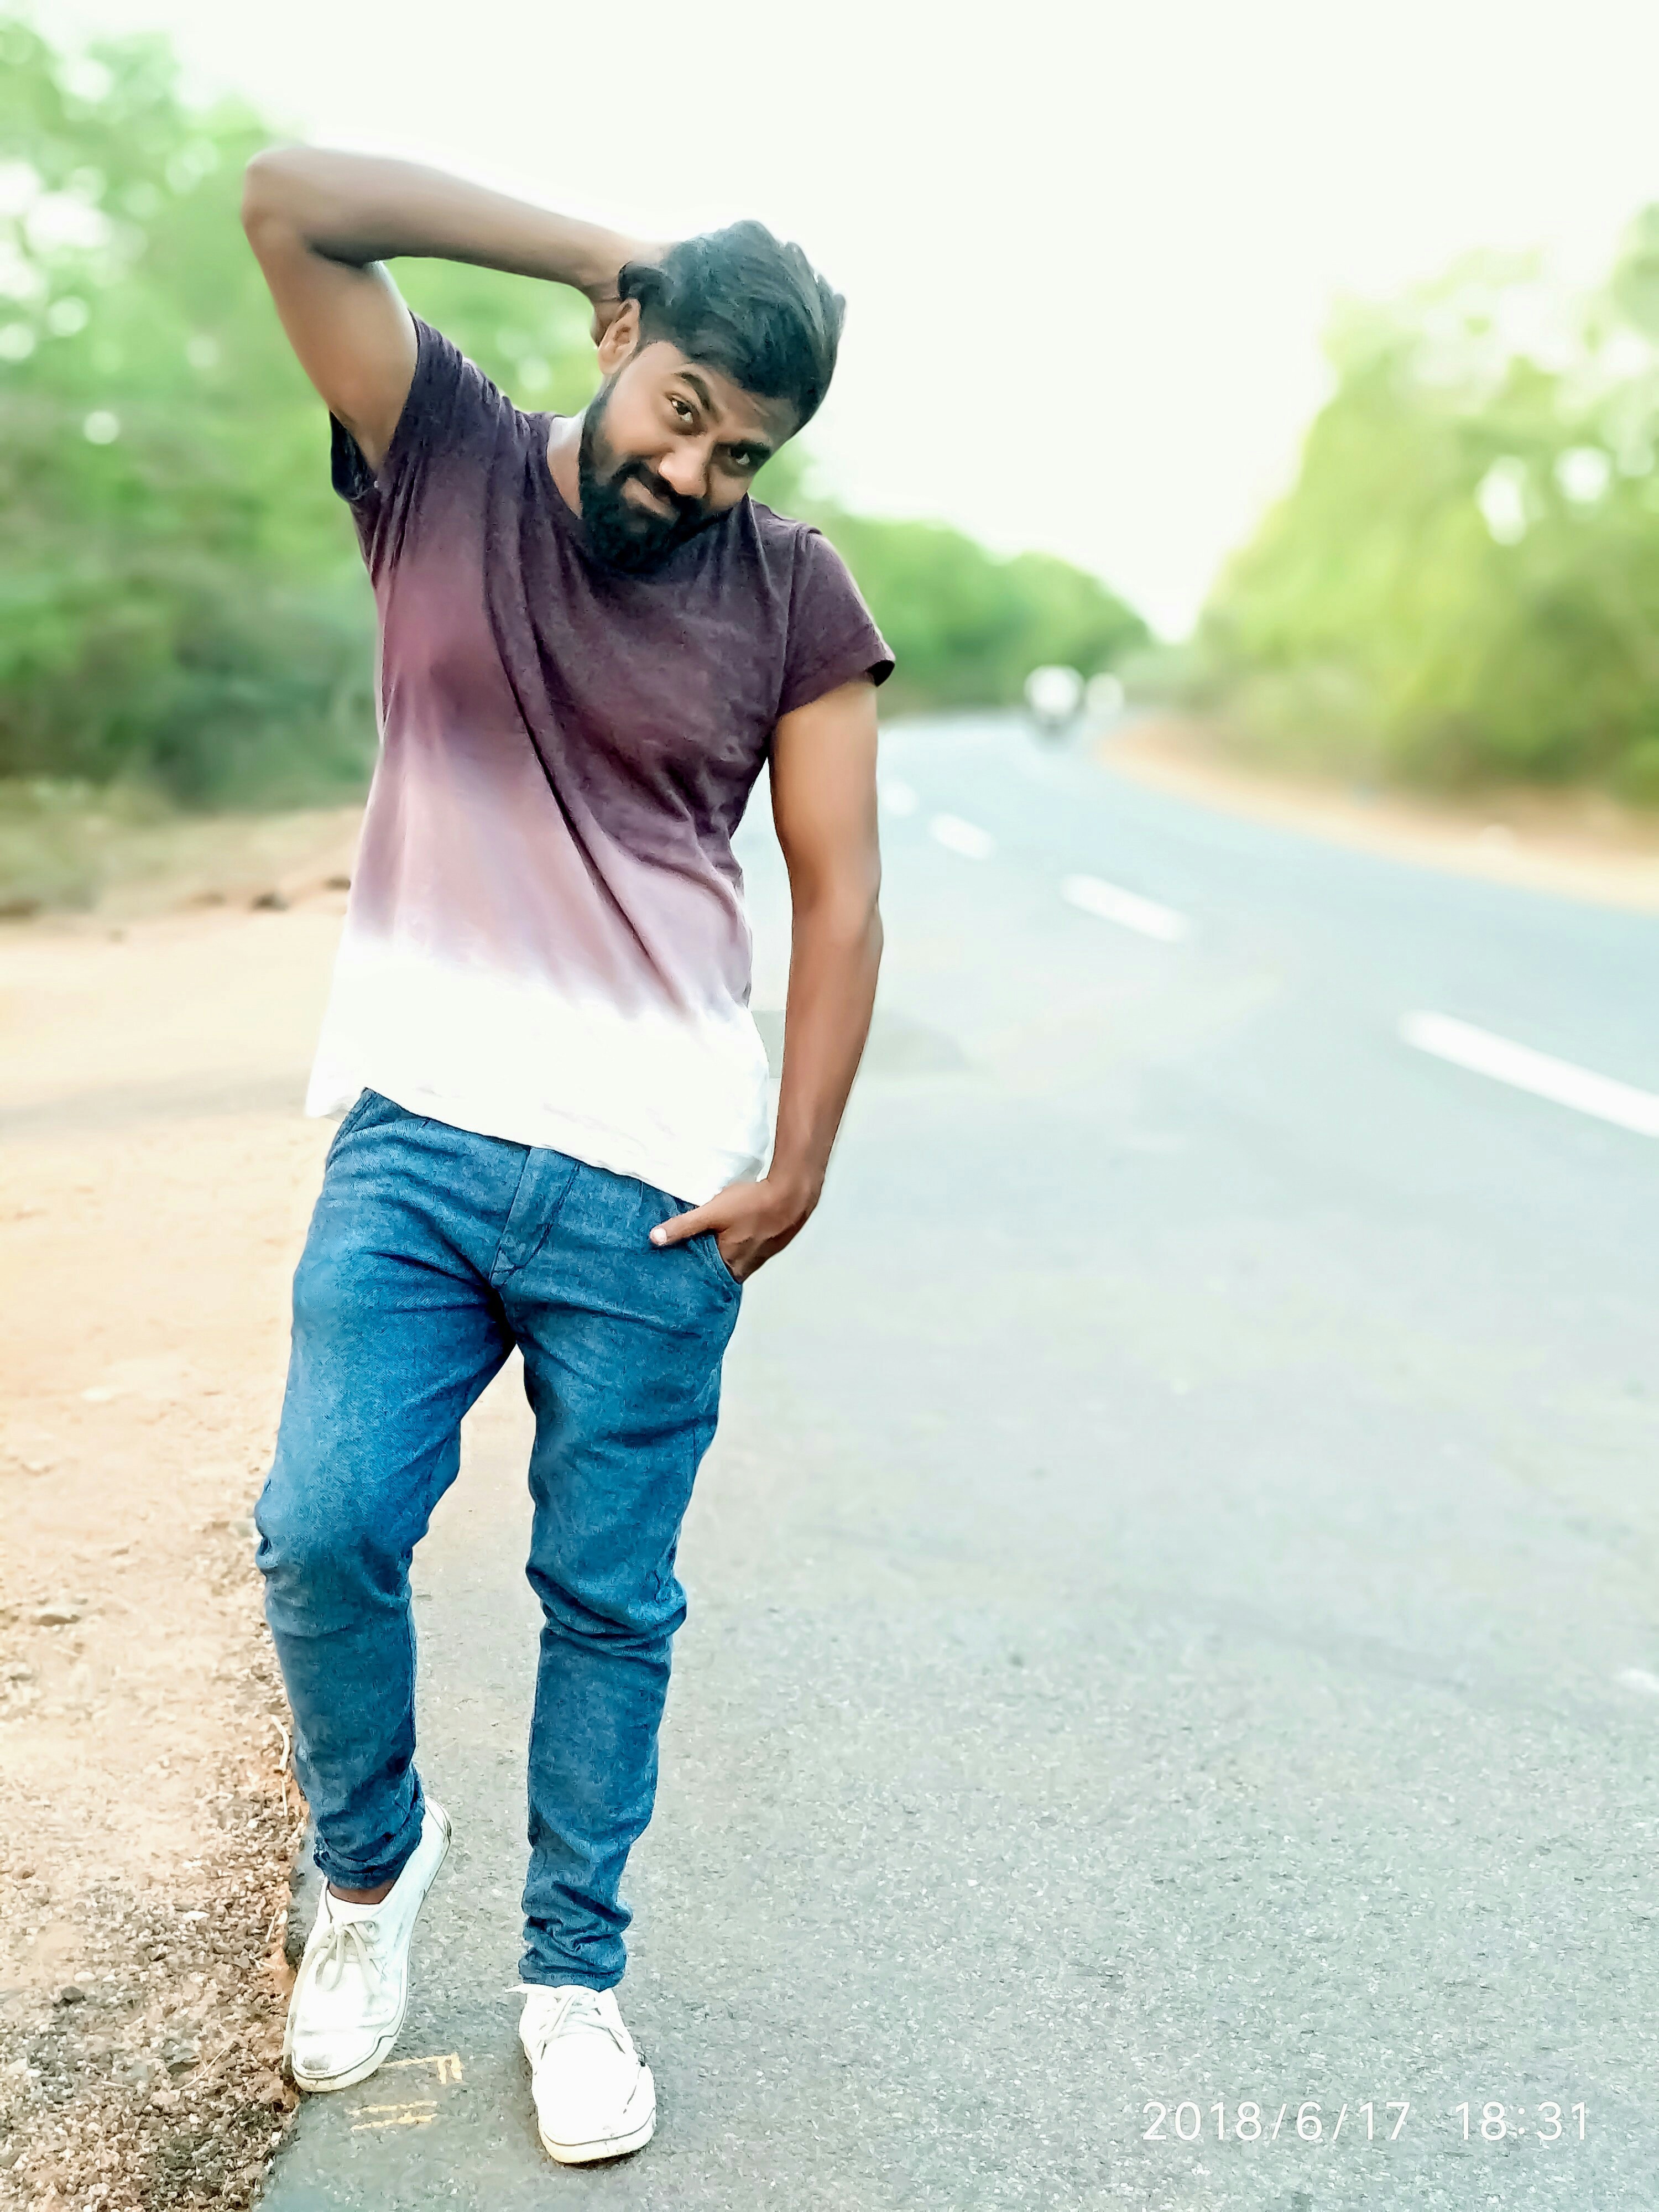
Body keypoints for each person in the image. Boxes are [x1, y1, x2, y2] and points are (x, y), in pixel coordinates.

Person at [241, 148, 891, 2165]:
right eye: (682, 408)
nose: (694, 471)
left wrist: (798, 1162)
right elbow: (287, 200)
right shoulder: (436, 452)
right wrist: (601, 243)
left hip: (653, 1190)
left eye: (740, 449)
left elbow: (840, 895)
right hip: (418, 1147)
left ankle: (573, 1979)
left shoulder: (793, 592)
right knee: (322, 1527)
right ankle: (369, 1870)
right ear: (620, 340)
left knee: (608, 1601)